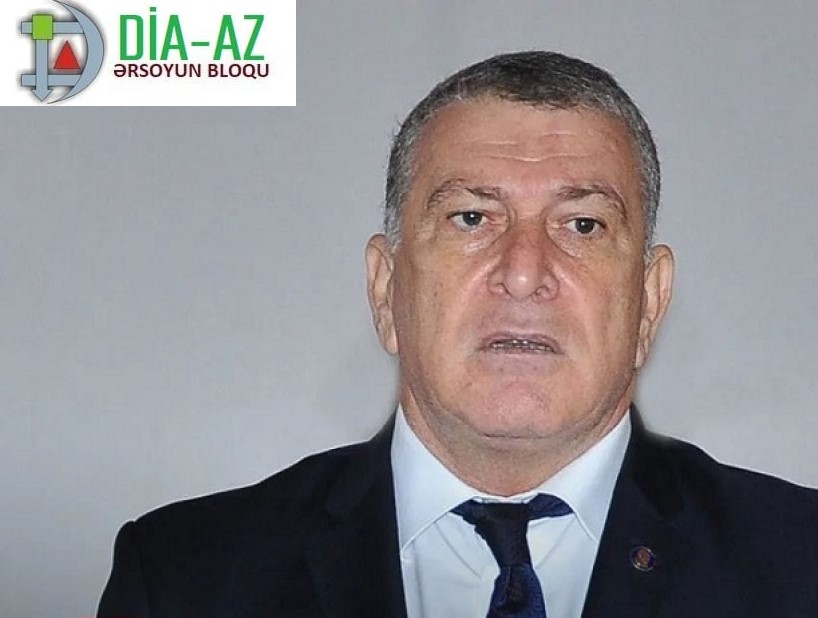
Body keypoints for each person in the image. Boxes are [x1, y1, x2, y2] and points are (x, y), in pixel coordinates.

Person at [98, 51, 818, 618]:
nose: (524, 273)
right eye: (471, 217)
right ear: (385, 289)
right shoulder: (185, 577)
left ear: (650, 303)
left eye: (583, 225)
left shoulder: (801, 566)